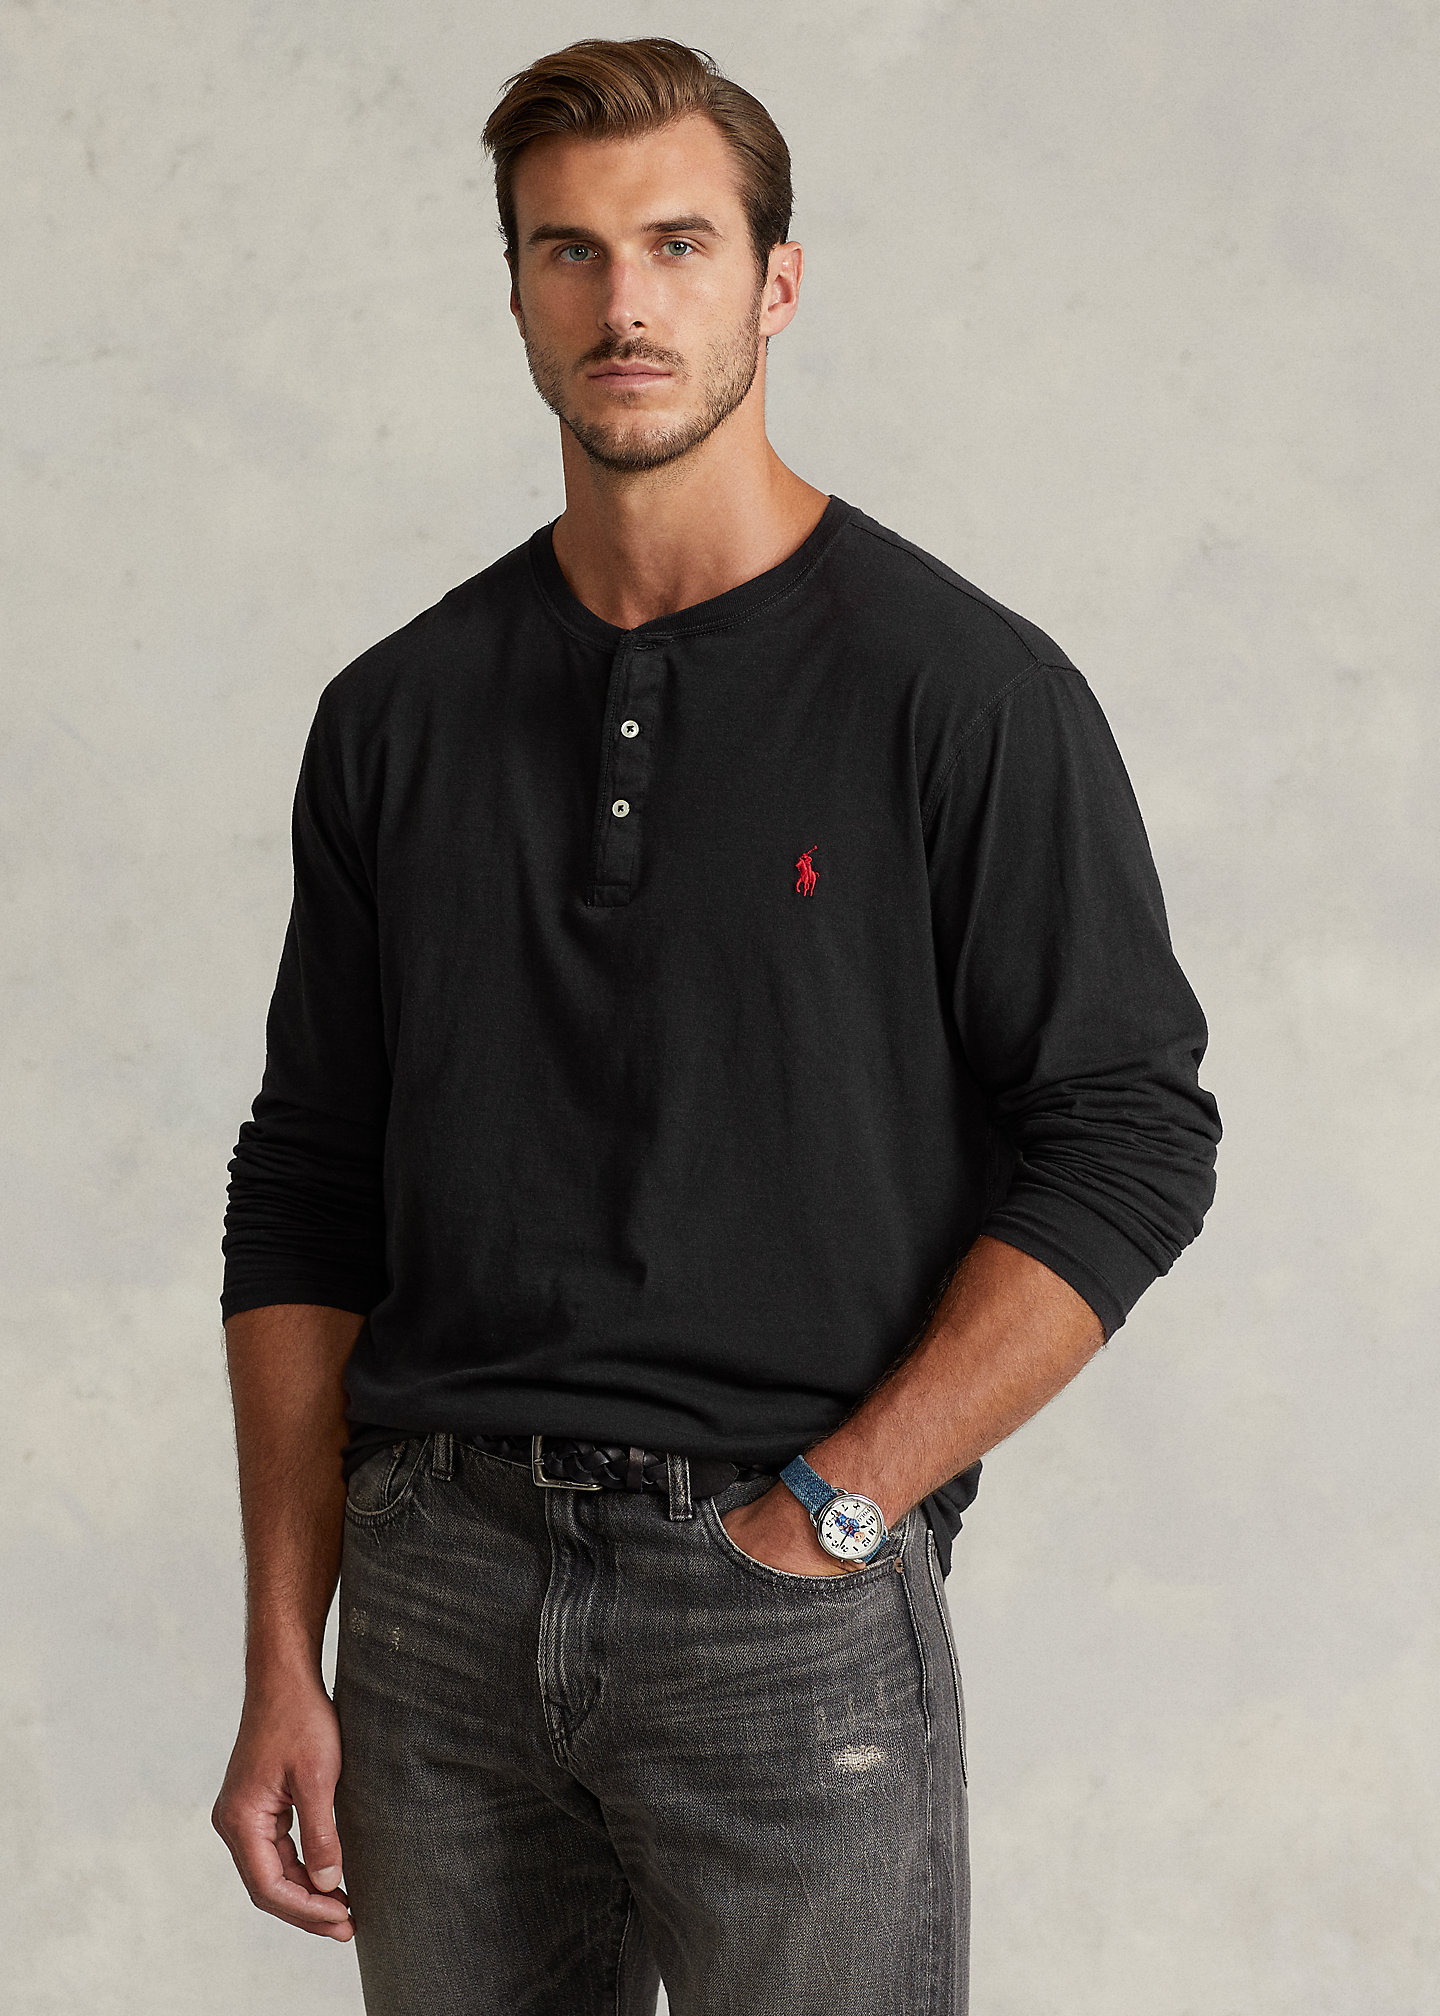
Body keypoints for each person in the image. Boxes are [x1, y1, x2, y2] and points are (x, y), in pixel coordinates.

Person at [211, 35, 1220, 2016]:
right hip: (434, 1605)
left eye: (678, 244)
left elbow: (1128, 1133)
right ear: (516, 289)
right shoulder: (397, 713)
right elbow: (308, 1186)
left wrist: (842, 1506)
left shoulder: (963, 693)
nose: (626, 302)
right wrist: (280, 1653)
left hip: (783, 1612)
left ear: (777, 280)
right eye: (570, 252)